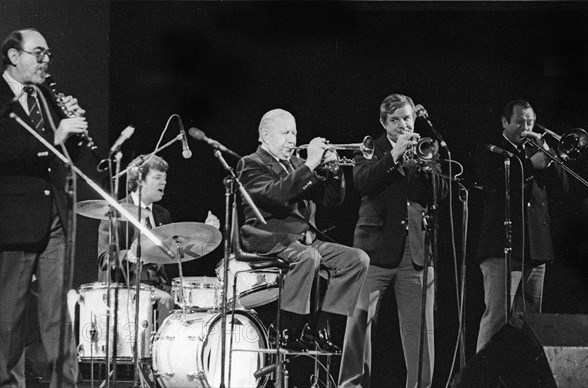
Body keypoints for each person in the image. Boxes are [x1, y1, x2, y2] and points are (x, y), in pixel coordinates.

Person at [236, 108, 369, 352]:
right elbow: (275, 196)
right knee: (309, 256)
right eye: (285, 132)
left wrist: (335, 172)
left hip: (302, 240)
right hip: (269, 236)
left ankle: (320, 326)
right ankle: (285, 328)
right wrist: (310, 164)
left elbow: (331, 200)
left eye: (295, 133)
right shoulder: (250, 164)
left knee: (356, 259)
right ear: (265, 135)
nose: (293, 140)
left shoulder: (297, 164)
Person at [338, 94, 447, 388]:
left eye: (407, 118)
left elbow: (441, 194)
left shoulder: (427, 149)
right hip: (373, 251)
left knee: (421, 334)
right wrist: (395, 155)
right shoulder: (370, 148)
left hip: (416, 252)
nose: (403, 125)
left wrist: (427, 167)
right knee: (359, 327)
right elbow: (364, 182)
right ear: (384, 122)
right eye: (396, 120)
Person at [0, 28, 88, 387]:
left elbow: (71, 159)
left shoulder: (47, 97)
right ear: (14, 56)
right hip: (15, 219)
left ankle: (64, 384)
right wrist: (53, 136)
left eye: (49, 54)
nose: (45, 61)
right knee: (10, 316)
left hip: (56, 218)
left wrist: (77, 132)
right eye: (39, 53)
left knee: (57, 315)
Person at [475, 100, 568, 352]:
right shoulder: (492, 150)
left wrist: (550, 154)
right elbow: (493, 185)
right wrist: (529, 165)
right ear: (505, 122)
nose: (525, 128)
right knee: (497, 319)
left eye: (529, 122)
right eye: (519, 122)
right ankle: (481, 379)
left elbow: (563, 189)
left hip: (536, 250)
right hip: (501, 248)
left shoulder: (539, 152)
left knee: (530, 324)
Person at [97, 154, 220, 328]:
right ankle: (156, 354)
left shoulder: (162, 214)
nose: (164, 183)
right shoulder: (117, 212)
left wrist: (205, 233)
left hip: (161, 284)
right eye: (157, 178)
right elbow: (105, 259)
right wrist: (129, 256)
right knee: (165, 300)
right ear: (139, 180)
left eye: (165, 178)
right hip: (129, 286)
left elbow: (176, 253)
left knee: (199, 299)